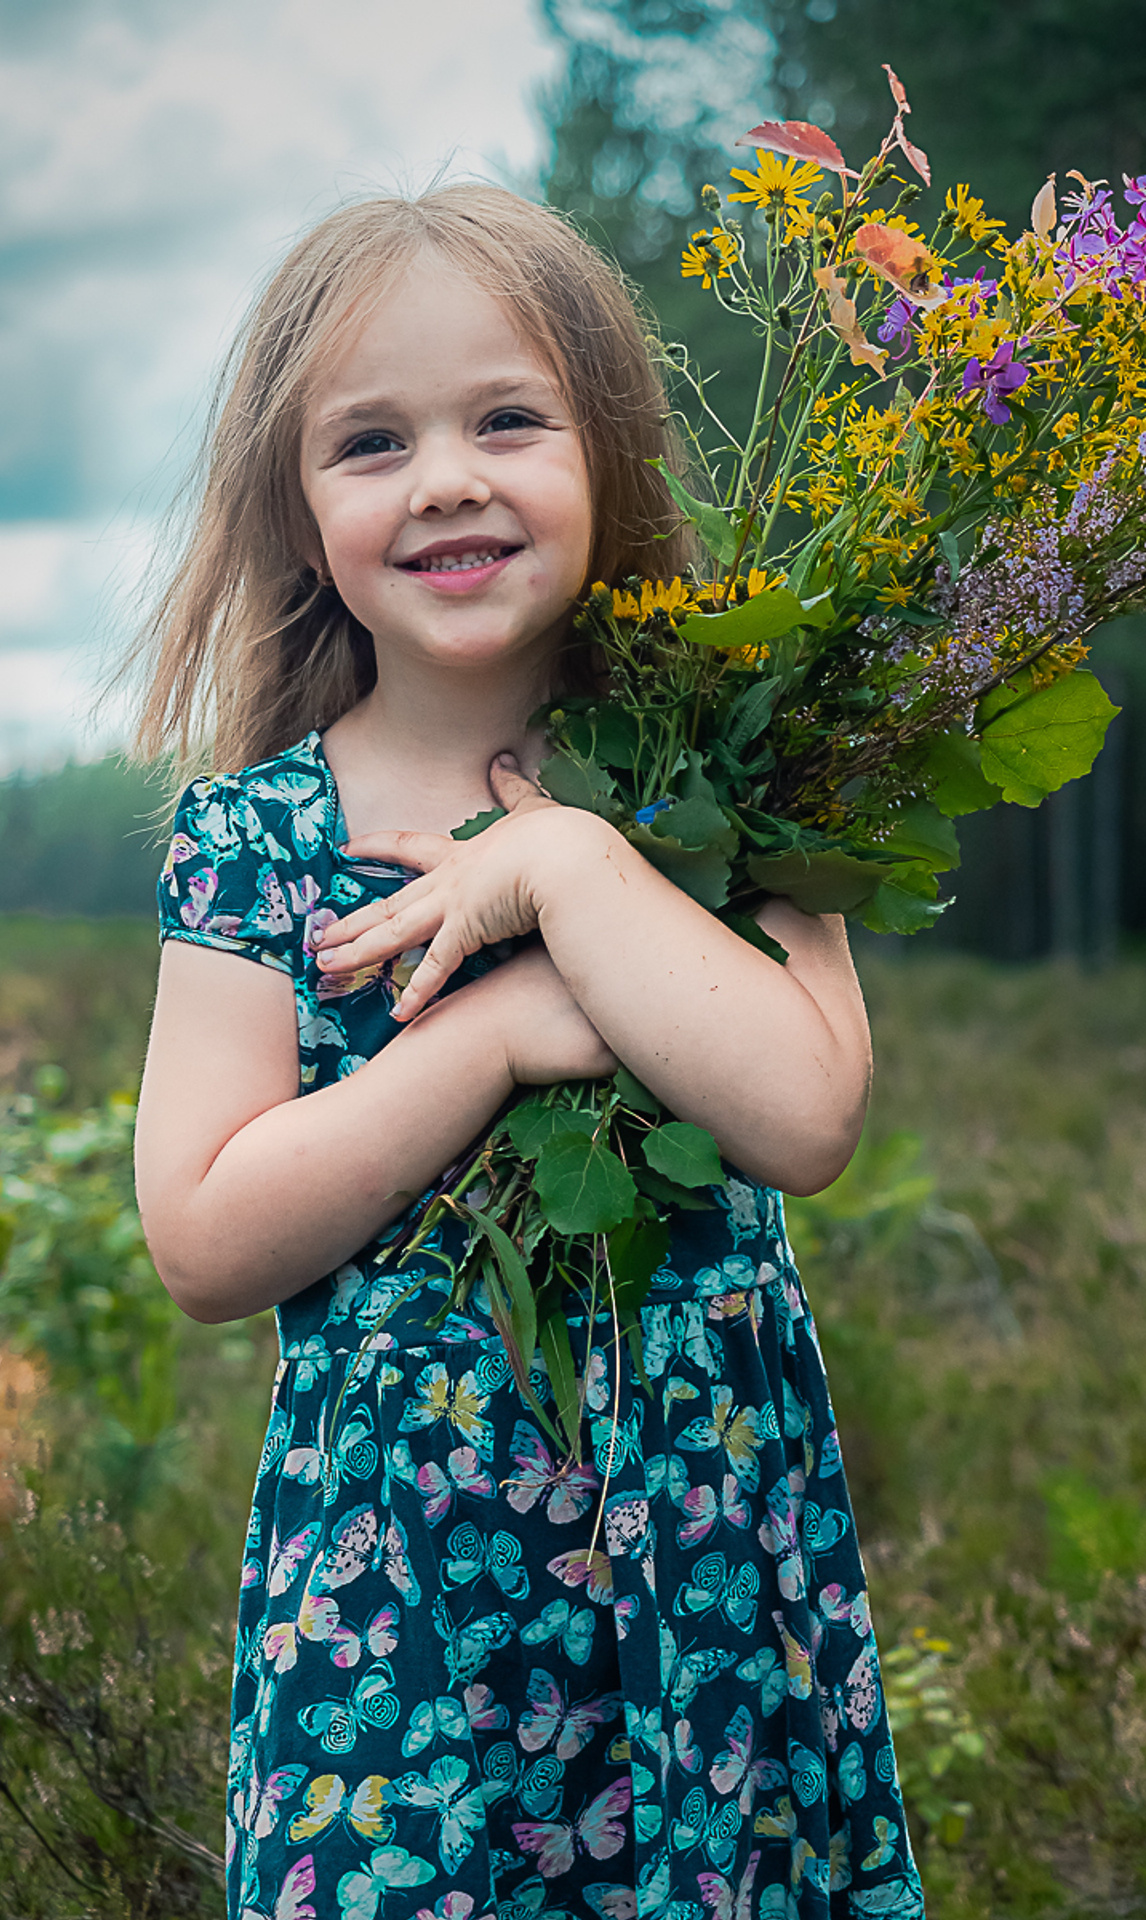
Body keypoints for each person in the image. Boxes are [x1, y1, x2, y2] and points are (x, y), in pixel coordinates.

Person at [133, 182, 926, 1920]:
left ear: (611, 450)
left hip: (709, 1572)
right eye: (371, 442)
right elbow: (201, 1236)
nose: (446, 480)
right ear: (296, 508)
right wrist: (495, 1034)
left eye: (508, 418)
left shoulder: (730, 763)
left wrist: (569, 867)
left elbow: (802, 1115)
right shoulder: (257, 836)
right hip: (405, 1608)